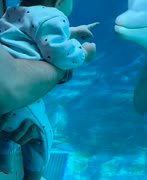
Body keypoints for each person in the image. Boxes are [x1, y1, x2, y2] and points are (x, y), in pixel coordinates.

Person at [0, 0, 98, 179]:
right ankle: (34, 176)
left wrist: (71, 31)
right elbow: (61, 54)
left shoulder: (14, 12)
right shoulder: (55, 16)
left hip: (7, 105)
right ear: (59, 1)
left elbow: (29, 34)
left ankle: (3, 157)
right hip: (22, 98)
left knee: (7, 130)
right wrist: (84, 52)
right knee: (42, 134)